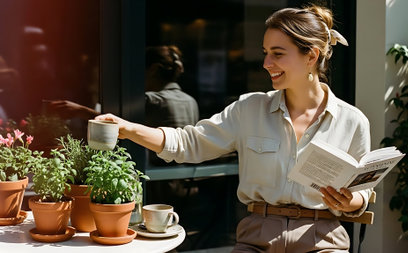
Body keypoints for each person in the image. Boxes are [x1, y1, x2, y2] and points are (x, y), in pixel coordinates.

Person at [95, 5, 372, 252]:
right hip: (258, 240)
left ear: (311, 56)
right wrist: (128, 129)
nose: (266, 64)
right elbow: (188, 142)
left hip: (322, 242)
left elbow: (363, 191)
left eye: (277, 54)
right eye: (265, 53)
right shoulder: (249, 109)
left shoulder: (353, 121)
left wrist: (351, 201)